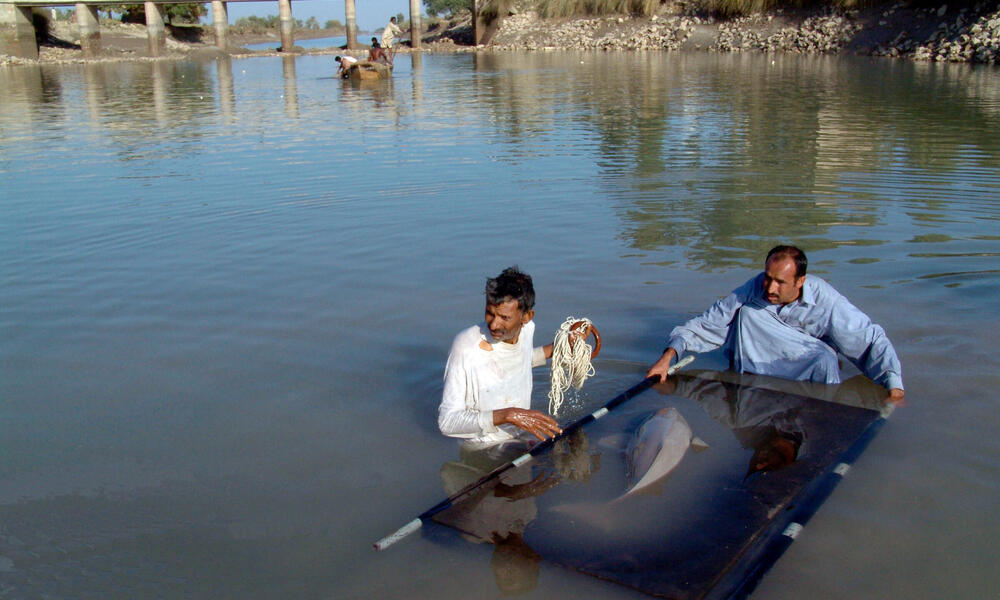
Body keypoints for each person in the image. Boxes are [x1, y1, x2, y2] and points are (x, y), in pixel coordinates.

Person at [646, 245, 904, 403]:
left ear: (800, 281)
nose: (770, 287)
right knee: (747, 313)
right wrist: (668, 357)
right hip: (752, 369)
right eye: (768, 278)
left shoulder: (826, 299)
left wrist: (893, 386)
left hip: (811, 365)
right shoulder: (754, 288)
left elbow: (868, 339)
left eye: (780, 282)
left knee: (825, 358)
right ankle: (748, 390)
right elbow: (707, 323)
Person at [439, 267, 577, 444]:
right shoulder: (465, 346)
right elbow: (447, 422)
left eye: (505, 318)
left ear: (526, 317)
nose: (494, 325)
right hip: (484, 446)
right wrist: (508, 415)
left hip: (522, 434)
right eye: (489, 313)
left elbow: (515, 362)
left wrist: (561, 347)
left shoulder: (528, 329)